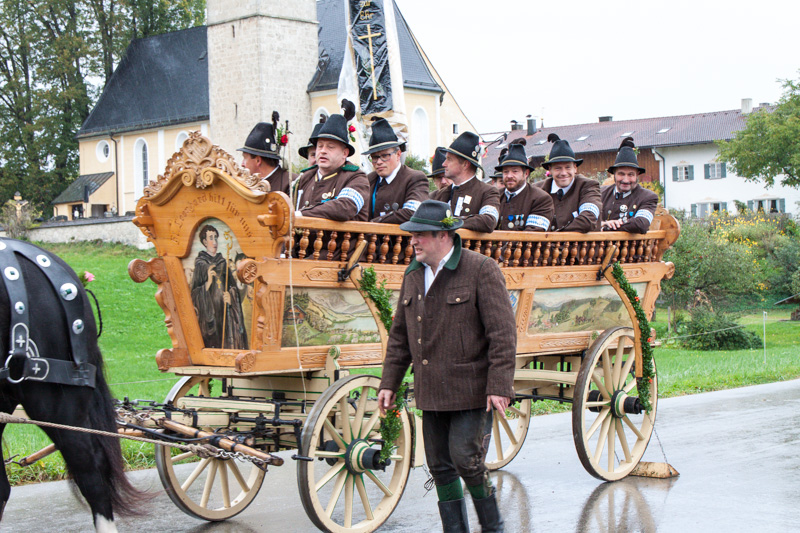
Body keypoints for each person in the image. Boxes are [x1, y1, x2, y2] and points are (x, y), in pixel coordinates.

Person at [378, 200, 516, 533]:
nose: (413, 241)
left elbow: (502, 333)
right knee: (440, 467)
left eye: (420, 234)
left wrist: (499, 385)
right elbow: (400, 336)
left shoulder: (480, 269)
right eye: (412, 235)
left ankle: (493, 527)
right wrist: (389, 383)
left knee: (466, 460)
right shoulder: (413, 274)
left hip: (471, 390)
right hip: (431, 390)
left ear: (443, 235)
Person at [293, 100, 369, 221]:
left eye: (330, 147)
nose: (323, 151)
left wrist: (302, 214)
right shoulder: (305, 177)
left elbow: (345, 207)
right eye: (320, 146)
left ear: (345, 153)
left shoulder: (356, 178)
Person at [190, 224, 248, 350]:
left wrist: (231, 297)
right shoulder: (200, 264)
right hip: (209, 317)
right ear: (205, 242)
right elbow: (193, 295)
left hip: (224, 313)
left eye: (216, 237)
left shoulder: (222, 263)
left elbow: (233, 288)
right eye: (211, 238)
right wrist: (208, 283)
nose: (214, 241)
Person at [430, 132, 500, 233]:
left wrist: (451, 222)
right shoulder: (437, 195)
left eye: (449, 159)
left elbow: (489, 221)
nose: (444, 164)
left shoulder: (488, 192)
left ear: (465, 164)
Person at [363, 118, 429, 223]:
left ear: (398, 154)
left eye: (385, 156)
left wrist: (374, 224)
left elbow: (413, 212)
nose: (379, 162)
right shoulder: (368, 179)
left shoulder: (415, 178)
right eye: (374, 157)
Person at [535, 133, 601, 232]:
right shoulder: (538, 190)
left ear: (575, 168)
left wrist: (556, 237)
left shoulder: (589, 186)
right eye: (558, 168)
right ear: (550, 170)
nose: (563, 173)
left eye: (568, 167)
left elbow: (588, 219)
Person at [600, 137, 658, 233]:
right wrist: (602, 224)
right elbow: (586, 220)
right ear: (614, 174)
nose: (626, 180)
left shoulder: (648, 197)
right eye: (621, 174)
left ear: (637, 175)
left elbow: (641, 224)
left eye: (630, 175)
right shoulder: (600, 193)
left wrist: (606, 227)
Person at [496, 140, 553, 231]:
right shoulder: (494, 196)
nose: (509, 176)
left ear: (526, 173)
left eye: (515, 171)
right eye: (506, 172)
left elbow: (534, 233)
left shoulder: (541, 198)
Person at [238, 113, 292, 195]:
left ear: (258, 160)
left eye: (245, 158)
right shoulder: (248, 185)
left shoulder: (290, 183)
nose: (242, 164)